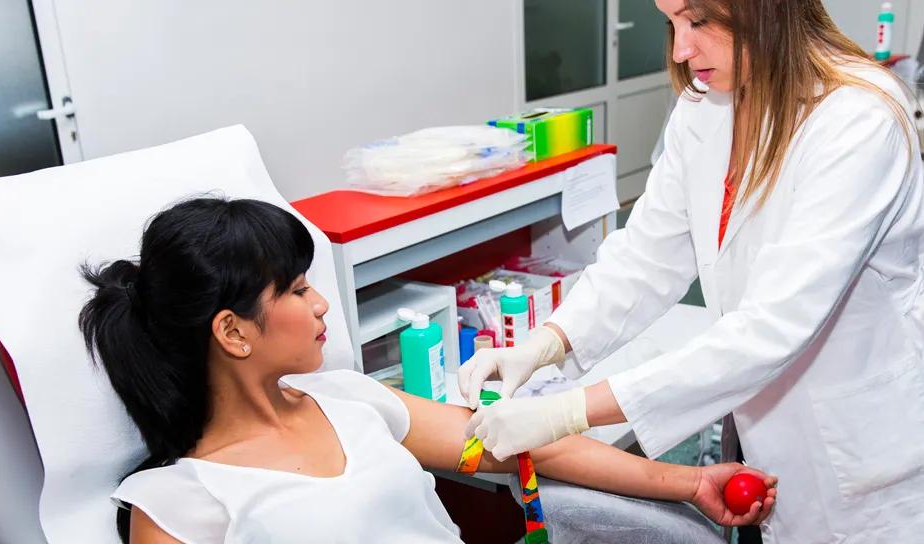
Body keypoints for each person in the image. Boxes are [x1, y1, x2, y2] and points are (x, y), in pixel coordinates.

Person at [459, 0, 924, 541]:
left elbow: (771, 326)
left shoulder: (858, 120)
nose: (681, 49)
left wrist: (567, 413)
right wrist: (544, 343)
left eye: (698, 20)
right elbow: (646, 255)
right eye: (671, 22)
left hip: (856, 454)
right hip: (760, 425)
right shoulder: (706, 104)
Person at [78, 197, 775, 543]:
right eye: (293, 290)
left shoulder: (348, 400)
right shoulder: (178, 505)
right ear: (230, 331)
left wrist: (691, 483)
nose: (321, 302)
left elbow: (517, 440)